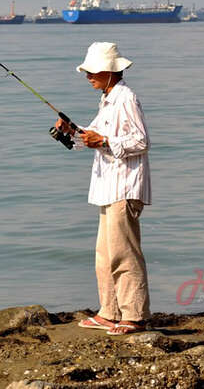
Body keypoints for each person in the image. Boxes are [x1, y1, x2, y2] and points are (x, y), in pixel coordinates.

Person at [55, 42, 151, 336]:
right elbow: (93, 136)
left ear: (111, 71)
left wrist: (106, 142)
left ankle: (134, 316)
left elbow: (141, 141)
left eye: (93, 71)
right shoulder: (108, 98)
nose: (88, 76)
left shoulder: (126, 98)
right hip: (107, 187)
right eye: (87, 71)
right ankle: (109, 312)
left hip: (124, 187)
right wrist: (74, 131)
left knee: (124, 253)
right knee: (104, 254)